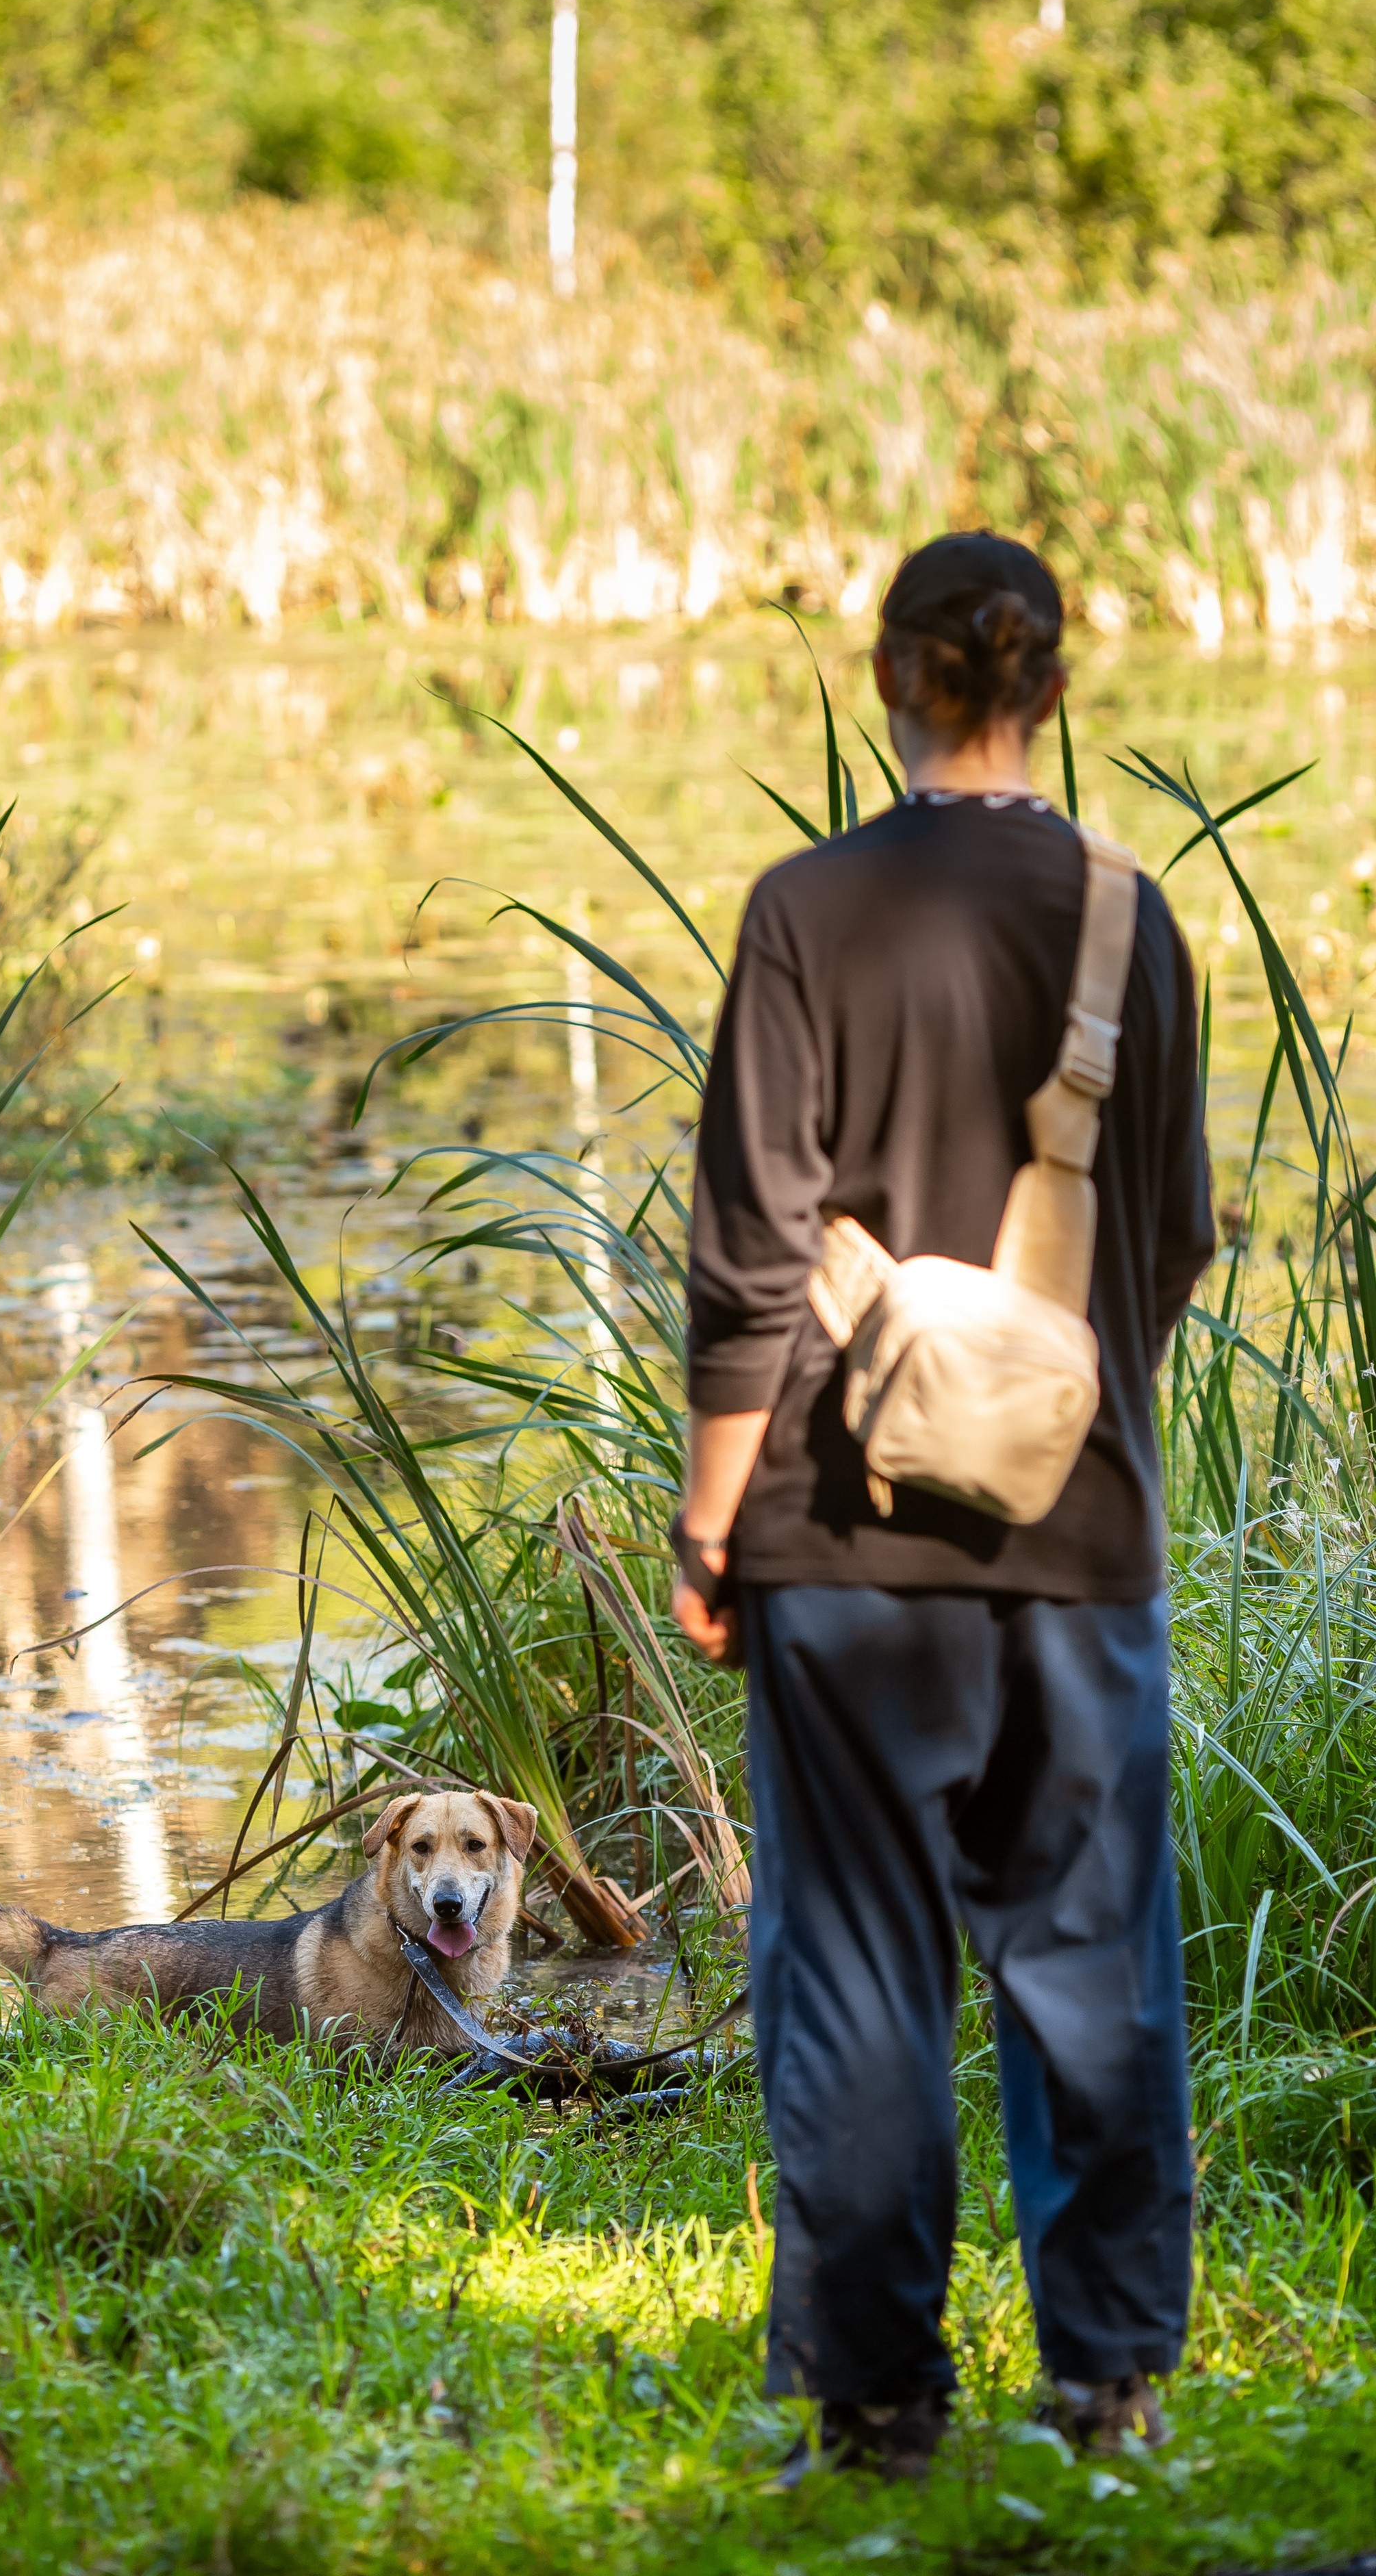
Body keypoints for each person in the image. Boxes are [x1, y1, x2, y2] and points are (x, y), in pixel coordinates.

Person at [673, 532, 1214, 2483]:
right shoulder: (1127, 920)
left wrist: (710, 1520)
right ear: (1047, 688)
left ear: (890, 679)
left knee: (861, 1975)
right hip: (1084, 1530)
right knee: (1090, 1960)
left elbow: (748, 1257)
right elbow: (1169, 1246)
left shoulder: (808, 909)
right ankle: (1113, 2394)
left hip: (837, 1531)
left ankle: (879, 2409)